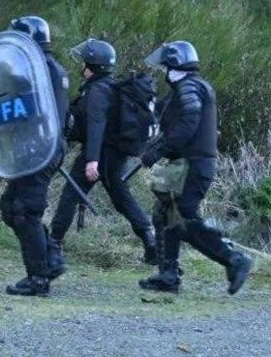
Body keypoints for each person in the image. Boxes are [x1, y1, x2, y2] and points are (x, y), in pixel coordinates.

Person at [137, 41, 252, 295]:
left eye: (166, 67)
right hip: (191, 164)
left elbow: (188, 123)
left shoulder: (189, 87)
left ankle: (234, 259)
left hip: (194, 165)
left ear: (174, 66)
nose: (164, 73)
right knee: (165, 215)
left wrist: (159, 150)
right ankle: (168, 275)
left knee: (183, 221)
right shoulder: (192, 86)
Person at [48, 38, 157, 276]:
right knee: (120, 196)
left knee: (71, 193)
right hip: (113, 153)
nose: (82, 66)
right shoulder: (108, 86)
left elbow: (96, 125)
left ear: (92, 66)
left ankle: (53, 242)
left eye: (85, 62)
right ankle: (150, 241)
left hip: (102, 153)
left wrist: (91, 160)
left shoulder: (97, 90)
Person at [0, 16, 68, 296]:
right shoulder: (50, 67)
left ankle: (39, 278)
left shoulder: (38, 69)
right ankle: (51, 257)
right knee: (10, 206)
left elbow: (29, 110)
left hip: (39, 148)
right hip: (40, 147)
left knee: (26, 212)